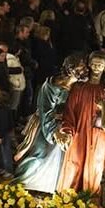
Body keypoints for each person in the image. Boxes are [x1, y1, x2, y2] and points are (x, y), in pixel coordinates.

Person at [14, 55, 87, 192]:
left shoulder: (79, 86)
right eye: (81, 67)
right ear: (71, 69)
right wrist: (54, 132)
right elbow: (46, 111)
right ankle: (22, 186)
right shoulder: (52, 86)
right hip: (46, 126)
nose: (84, 69)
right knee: (39, 155)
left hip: (66, 126)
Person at [56, 52, 105, 193]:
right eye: (94, 64)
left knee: (96, 163)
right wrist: (67, 130)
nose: (97, 67)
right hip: (79, 129)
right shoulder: (79, 88)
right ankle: (69, 194)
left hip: (99, 133)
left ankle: (92, 194)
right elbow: (69, 110)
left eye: (100, 64)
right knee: (75, 159)